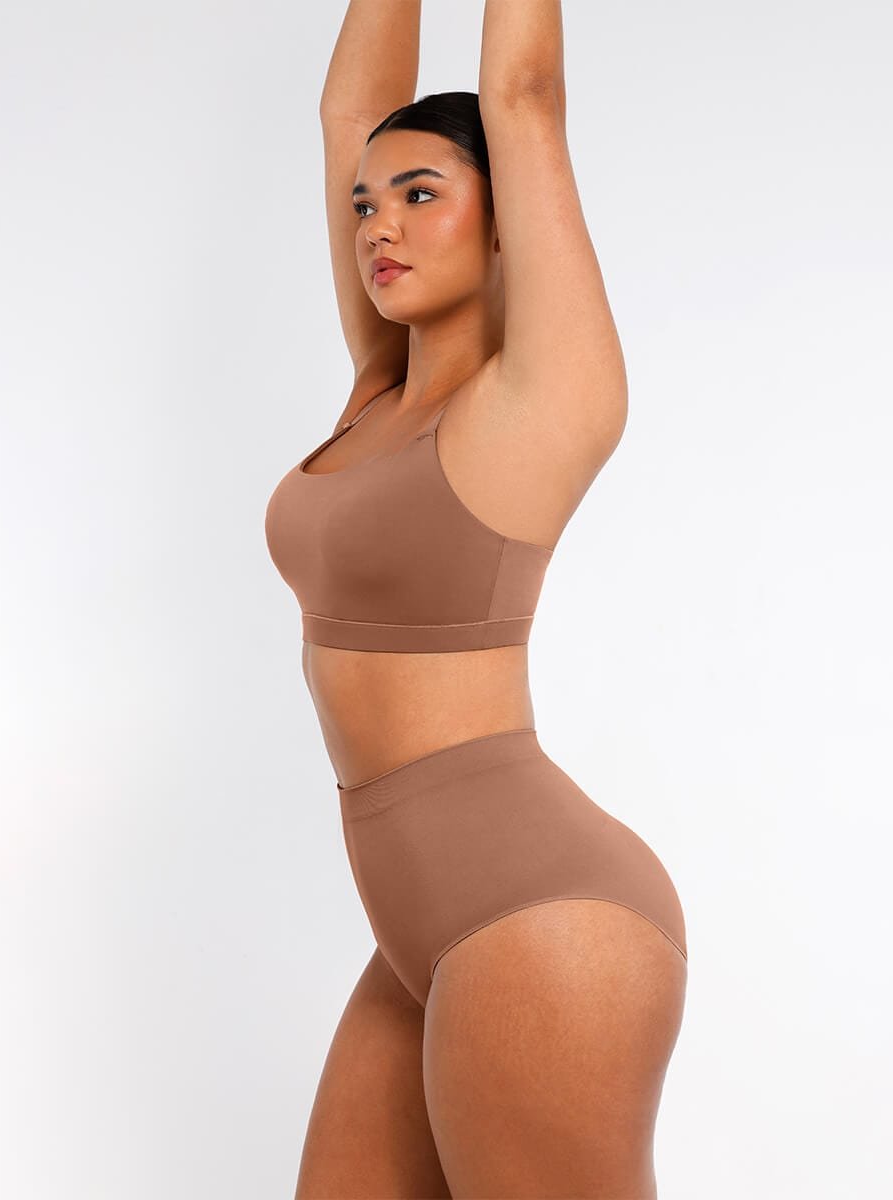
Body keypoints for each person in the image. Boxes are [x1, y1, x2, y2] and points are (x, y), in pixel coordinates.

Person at [264, 2, 688, 1195]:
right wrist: (368, 154)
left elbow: (525, 95)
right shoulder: (377, 393)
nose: (378, 226)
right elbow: (352, 115)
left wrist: (518, 116)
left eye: (421, 195)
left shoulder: (540, 406)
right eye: (366, 205)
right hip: (418, 935)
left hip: (542, 918)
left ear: (508, 222)